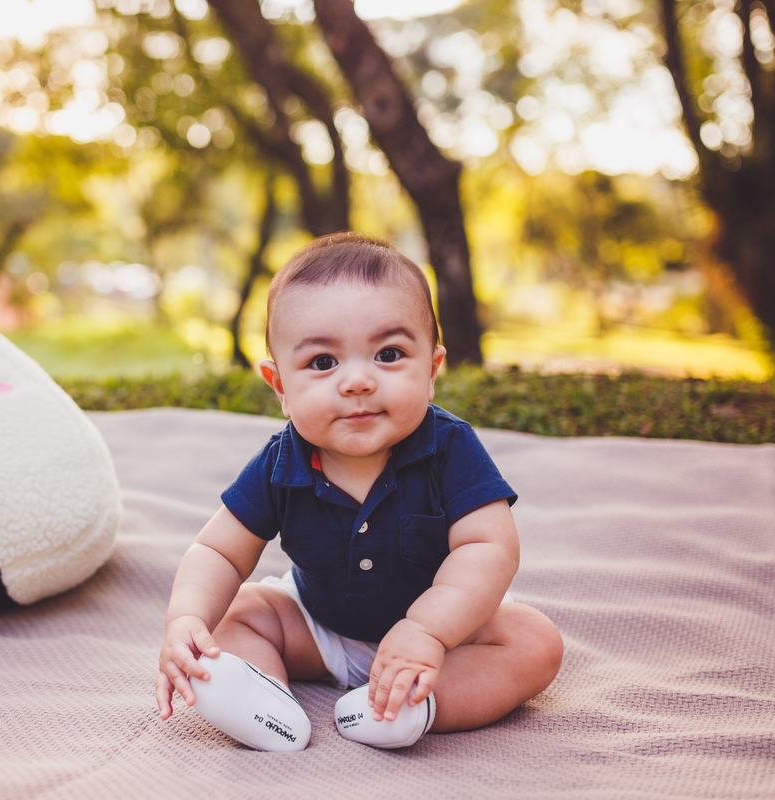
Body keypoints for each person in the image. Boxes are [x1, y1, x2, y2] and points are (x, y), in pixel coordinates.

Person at [155, 232, 563, 751]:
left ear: (432, 370)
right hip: (316, 626)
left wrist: (429, 632)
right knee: (237, 616)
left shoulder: (449, 448)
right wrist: (186, 618)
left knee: (533, 642)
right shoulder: (282, 462)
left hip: (446, 638)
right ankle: (262, 699)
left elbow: (490, 547)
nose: (357, 381)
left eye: (388, 353)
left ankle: (416, 707)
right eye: (323, 363)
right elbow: (217, 550)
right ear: (280, 387)